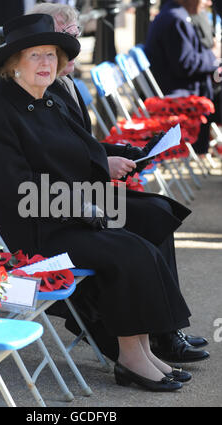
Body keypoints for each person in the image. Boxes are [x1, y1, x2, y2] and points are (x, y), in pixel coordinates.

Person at [0, 13, 195, 391]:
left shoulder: (48, 101)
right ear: (13, 64)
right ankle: (130, 356)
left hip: (69, 213)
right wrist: (81, 205)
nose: (46, 63)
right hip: (34, 230)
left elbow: (84, 153)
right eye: (35, 56)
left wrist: (112, 173)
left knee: (146, 230)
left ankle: (145, 345)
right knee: (130, 251)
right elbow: (14, 188)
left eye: (51, 55)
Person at [27, 2, 210, 364]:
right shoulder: (40, 92)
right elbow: (51, 162)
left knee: (159, 210)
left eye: (75, 37)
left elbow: (83, 144)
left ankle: (165, 329)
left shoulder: (68, 86)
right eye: (65, 39)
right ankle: (158, 333)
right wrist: (102, 163)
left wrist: (127, 151)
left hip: (80, 195)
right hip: (64, 204)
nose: (74, 47)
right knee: (150, 217)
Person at [145, 0, 219, 154]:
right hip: (179, 93)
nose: (209, 2)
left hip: (186, 86)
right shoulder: (176, 19)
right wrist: (213, 55)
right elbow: (186, 65)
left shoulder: (176, 14)